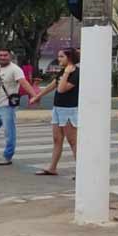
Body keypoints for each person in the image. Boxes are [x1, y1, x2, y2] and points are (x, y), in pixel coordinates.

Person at [29, 48, 80, 176]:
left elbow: (61, 89)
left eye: (62, 56)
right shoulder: (63, 70)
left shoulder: (76, 73)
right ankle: (52, 168)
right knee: (57, 139)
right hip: (58, 108)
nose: (59, 59)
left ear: (69, 57)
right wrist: (37, 96)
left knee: (73, 141)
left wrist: (67, 73)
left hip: (70, 110)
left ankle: (81, 170)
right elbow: (53, 85)